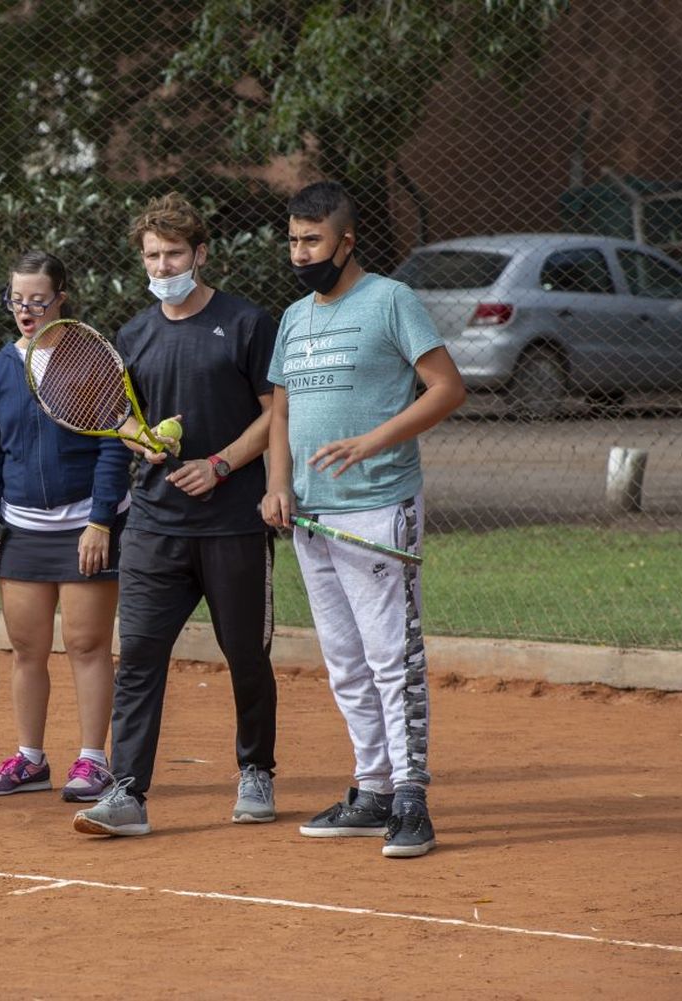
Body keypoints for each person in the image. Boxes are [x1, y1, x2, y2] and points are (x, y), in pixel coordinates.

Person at [259, 180, 466, 859]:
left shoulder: (391, 301)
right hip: (312, 517)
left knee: (390, 657)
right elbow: (280, 412)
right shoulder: (293, 318)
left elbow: (447, 387)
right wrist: (279, 485)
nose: (299, 252)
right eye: (292, 240)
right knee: (344, 661)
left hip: (379, 504)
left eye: (311, 240)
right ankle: (373, 789)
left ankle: (411, 796)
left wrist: (374, 440)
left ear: (346, 242)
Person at [73, 193, 280, 837]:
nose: (164, 267)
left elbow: (277, 413)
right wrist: (138, 435)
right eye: (153, 256)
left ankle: (256, 771)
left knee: (245, 654)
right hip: (155, 527)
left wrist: (220, 464)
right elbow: (122, 414)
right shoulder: (133, 334)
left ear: (202, 254)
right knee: (136, 655)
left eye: (174, 254)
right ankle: (128, 794)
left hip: (234, 524)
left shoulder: (248, 323)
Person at [0, 250, 129, 803]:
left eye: (38, 299)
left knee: (86, 645)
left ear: (62, 297)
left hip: (85, 525)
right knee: (26, 648)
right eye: (17, 300)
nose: (26, 310)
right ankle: (31, 760)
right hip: (21, 530)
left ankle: (93, 761)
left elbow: (115, 445)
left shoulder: (93, 360)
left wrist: (101, 521)